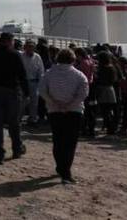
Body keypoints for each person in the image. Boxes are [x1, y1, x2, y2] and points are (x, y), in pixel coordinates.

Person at [40, 49, 90, 184]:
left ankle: (60, 167)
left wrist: (54, 103)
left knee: (58, 140)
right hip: (74, 111)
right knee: (70, 142)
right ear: (73, 60)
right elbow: (83, 93)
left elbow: (42, 91)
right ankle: (66, 171)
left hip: (54, 111)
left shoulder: (48, 74)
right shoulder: (79, 75)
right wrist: (69, 105)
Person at [0, 32, 30, 164]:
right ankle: (16, 149)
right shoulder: (15, 54)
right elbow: (22, 75)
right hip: (12, 91)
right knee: (14, 123)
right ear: (10, 41)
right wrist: (26, 93)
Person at [21, 40, 45, 126]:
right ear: (25, 47)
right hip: (23, 82)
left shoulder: (37, 57)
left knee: (34, 102)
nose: (30, 48)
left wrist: (40, 83)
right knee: (22, 101)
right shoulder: (21, 56)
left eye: (32, 47)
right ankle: (18, 118)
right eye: (28, 46)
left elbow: (41, 71)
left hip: (34, 82)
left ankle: (32, 119)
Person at [94, 51, 119, 135]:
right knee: (108, 111)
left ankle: (110, 128)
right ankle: (111, 128)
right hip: (110, 89)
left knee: (105, 111)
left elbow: (101, 79)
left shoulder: (104, 68)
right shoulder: (112, 67)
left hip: (104, 89)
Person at [75, 48, 97, 137]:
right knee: (91, 109)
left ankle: (84, 129)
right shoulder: (91, 61)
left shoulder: (83, 63)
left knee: (85, 109)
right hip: (91, 87)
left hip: (84, 87)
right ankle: (91, 129)